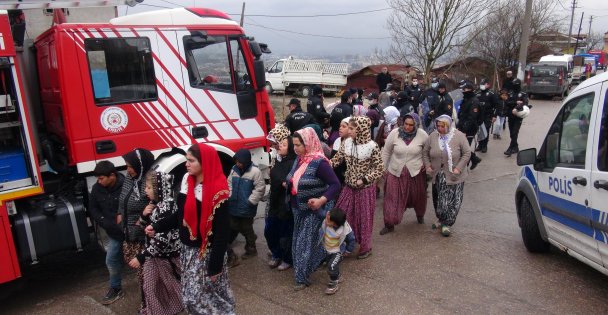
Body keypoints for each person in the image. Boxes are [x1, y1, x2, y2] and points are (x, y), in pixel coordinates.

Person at [145, 143, 235, 314]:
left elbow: (222, 233)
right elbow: (181, 215)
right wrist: (157, 226)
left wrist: (215, 266)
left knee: (205, 298)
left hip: (206, 252)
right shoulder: (187, 181)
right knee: (192, 297)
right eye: (187, 160)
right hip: (187, 250)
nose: (187, 164)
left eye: (191, 161)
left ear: (205, 163)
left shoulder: (218, 190)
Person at [286, 127, 341, 290]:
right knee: (299, 242)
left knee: (304, 244)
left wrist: (320, 200)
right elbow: (294, 177)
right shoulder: (300, 159)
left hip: (314, 211)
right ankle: (306, 271)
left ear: (308, 143)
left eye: (298, 145)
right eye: (294, 145)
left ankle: (302, 278)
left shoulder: (319, 162)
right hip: (298, 208)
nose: (295, 149)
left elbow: (335, 184)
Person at [331, 116, 384, 259]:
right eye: (349, 127)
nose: (349, 130)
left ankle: (365, 247)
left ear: (361, 130)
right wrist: (323, 165)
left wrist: (365, 179)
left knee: (364, 218)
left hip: (365, 189)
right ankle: (341, 244)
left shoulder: (372, 146)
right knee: (341, 213)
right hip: (348, 185)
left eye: (352, 128)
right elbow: (337, 159)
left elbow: (379, 168)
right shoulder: (347, 142)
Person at [133, 171, 182, 315]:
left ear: (159, 188)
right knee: (150, 286)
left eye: (148, 187)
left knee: (171, 286)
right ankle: (155, 311)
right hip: (154, 256)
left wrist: (141, 257)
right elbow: (140, 227)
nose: (145, 191)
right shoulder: (155, 205)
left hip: (165, 257)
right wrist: (143, 215)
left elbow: (164, 239)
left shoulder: (167, 207)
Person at [380, 113, 429, 234]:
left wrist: (425, 163)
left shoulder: (422, 135)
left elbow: (428, 152)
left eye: (411, 125)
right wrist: (382, 168)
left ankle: (420, 215)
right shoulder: (395, 133)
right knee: (391, 198)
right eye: (406, 124)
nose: (407, 127)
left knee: (418, 197)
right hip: (395, 171)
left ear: (416, 125)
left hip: (415, 172)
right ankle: (389, 223)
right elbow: (386, 152)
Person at [423, 115, 471, 237]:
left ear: (448, 125)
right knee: (439, 200)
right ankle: (440, 218)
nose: (439, 128)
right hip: (438, 174)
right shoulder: (433, 136)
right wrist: (428, 165)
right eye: (438, 126)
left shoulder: (459, 136)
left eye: (442, 126)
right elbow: (425, 152)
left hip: (455, 175)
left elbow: (467, 153)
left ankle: (446, 223)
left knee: (454, 201)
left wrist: (458, 168)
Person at [119, 148, 154, 312]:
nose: (128, 169)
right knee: (143, 277)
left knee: (146, 277)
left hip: (143, 238)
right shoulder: (130, 178)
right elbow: (123, 198)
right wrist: (120, 213)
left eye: (130, 166)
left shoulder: (150, 183)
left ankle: (149, 307)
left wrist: (142, 217)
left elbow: (154, 208)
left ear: (140, 165)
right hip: (130, 235)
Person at [89, 161, 125, 305]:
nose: (99, 181)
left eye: (101, 178)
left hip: (131, 232)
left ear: (112, 176)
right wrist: (105, 222)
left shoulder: (126, 186)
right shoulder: (97, 189)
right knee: (111, 260)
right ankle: (116, 288)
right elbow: (93, 209)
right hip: (113, 233)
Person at [265, 132, 297, 271]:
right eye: (280, 144)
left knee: (285, 234)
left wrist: (283, 181)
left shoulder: (293, 162)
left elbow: (289, 181)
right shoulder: (277, 159)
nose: (280, 146)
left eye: (284, 145)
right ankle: (276, 254)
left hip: (285, 204)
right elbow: (276, 178)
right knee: (270, 230)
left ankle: (286, 258)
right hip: (274, 201)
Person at [227, 149, 265, 259]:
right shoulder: (233, 170)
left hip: (247, 207)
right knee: (233, 224)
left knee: (247, 227)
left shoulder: (255, 172)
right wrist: (229, 194)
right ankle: (252, 237)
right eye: (236, 161)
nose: (237, 164)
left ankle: (251, 249)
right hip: (234, 205)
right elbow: (229, 183)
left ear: (246, 161)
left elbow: (260, 188)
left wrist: (251, 201)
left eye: (240, 162)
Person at [319, 208, 356, 295]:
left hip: (338, 251)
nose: (326, 219)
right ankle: (338, 275)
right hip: (328, 250)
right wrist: (314, 207)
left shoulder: (344, 229)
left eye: (328, 220)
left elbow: (352, 240)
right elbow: (320, 213)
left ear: (335, 224)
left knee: (331, 266)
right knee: (330, 263)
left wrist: (348, 250)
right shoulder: (329, 218)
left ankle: (333, 283)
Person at [456, 80, 482, 170]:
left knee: (464, 149)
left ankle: (465, 166)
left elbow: (472, 117)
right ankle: (474, 159)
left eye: (465, 89)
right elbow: (461, 113)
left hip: (469, 129)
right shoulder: (466, 99)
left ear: (470, 89)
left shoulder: (474, 101)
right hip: (461, 126)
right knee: (462, 147)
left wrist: (465, 130)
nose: (463, 91)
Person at [504, 79, 528, 157]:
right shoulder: (510, 93)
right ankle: (516, 147)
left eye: (515, 84)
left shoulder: (523, 94)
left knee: (515, 132)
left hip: (518, 116)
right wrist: (515, 102)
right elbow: (507, 102)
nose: (513, 86)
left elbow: (524, 103)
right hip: (510, 115)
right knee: (511, 133)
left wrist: (517, 107)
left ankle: (510, 148)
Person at [476, 78, 499, 153]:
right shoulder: (477, 93)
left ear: (488, 85)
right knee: (479, 130)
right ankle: (480, 145)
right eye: (481, 84)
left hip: (488, 115)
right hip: (479, 115)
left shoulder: (492, 94)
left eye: (484, 84)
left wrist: (494, 116)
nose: (482, 86)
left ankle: (484, 145)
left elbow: (496, 105)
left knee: (485, 129)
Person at [331, 117, 351, 185]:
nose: (340, 128)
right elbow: (333, 159)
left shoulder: (354, 144)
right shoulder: (337, 140)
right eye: (340, 126)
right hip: (336, 177)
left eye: (344, 126)